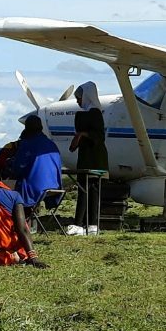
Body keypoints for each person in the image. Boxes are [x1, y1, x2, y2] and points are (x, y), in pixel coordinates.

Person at [68, 82, 111, 232]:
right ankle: (86, 224)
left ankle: (86, 223)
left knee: (90, 190)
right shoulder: (86, 114)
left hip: (94, 158)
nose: (78, 101)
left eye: (79, 98)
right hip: (87, 156)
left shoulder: (95, 113)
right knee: (86, 190)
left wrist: (82, 134)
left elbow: (99, 136)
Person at [7, 115, 66, 213]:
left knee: (3, 187)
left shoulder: (27, 144)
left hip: (35, 189)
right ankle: (31, 215)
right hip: (54, 188)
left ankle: (19, 218)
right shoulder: (51, 144)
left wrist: (9, 163)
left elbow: (18, 169)